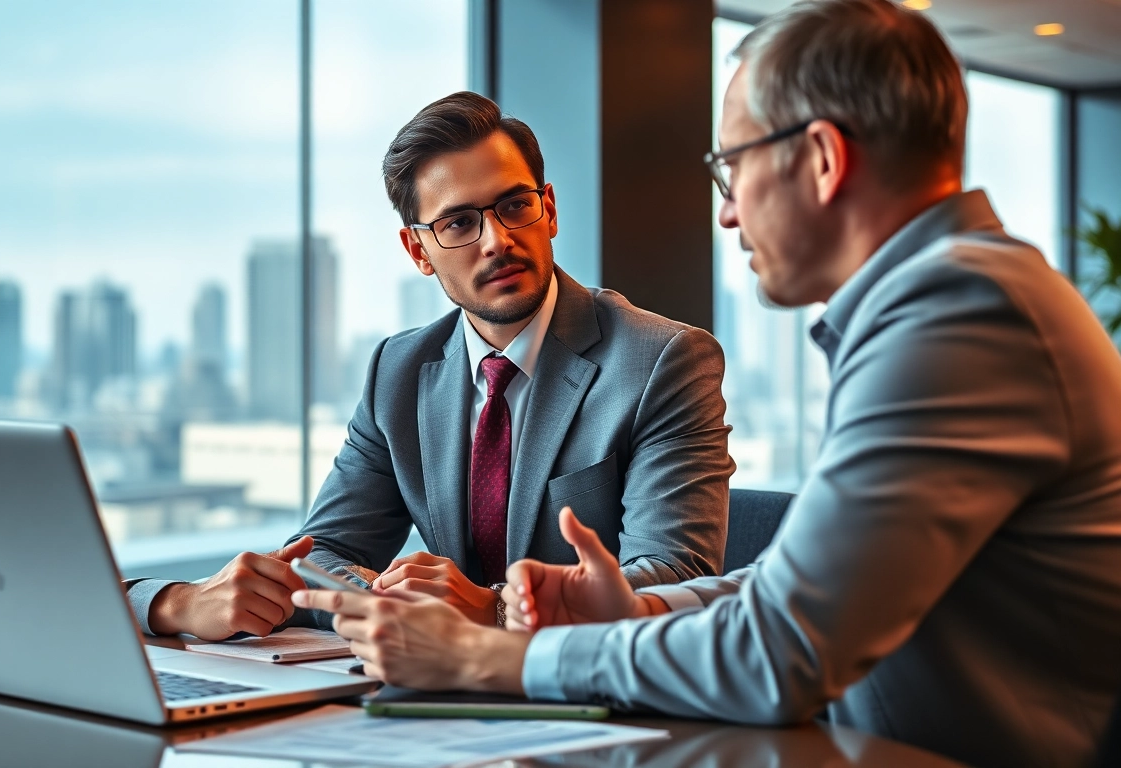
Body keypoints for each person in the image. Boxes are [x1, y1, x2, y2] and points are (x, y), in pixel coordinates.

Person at [295, 2, 1121, 766]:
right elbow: (794, 589)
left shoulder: (957, 316)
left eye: (733, 167)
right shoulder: (955, 299)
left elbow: (781, 651)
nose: (726, 212)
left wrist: (490, 656)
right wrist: (630, 611)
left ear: (822, 159)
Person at [129, 92, 735, 639]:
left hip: (588, 698)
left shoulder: (663, 360)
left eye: (515, 205)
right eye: (459, 223)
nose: (496, 241)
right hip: (426, 696)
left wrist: (493, 609)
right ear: (418, 250)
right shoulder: (397, 370)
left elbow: (675, 576)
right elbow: (321, 554)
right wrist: (174, 602)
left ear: (548, 210)